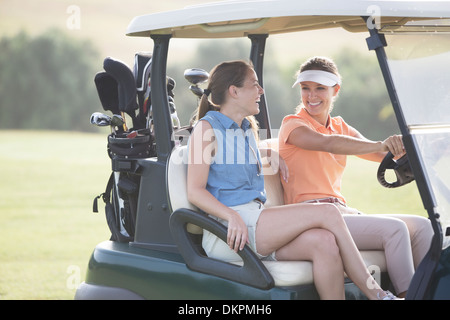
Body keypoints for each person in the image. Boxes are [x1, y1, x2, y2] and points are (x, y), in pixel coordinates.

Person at [186, 60, 399, 300]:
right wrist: (230, 215)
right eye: (254, 85)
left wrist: (268, 153)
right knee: (328, 213)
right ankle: (378, 295)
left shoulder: (246, 128)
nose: (261, 91)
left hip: (255, 224)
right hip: (229, 231)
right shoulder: (205, 129)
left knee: (324, 242)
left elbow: (233, 157)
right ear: (234, 91)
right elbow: (195, 191)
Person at [279, 56, 434, 298]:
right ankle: (407, 296)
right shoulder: (293, 125)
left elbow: (376, 152)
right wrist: (382, 145)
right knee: (394, 230)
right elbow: (327, 143)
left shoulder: (340, 126)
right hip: (310, 217)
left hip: (340, 212)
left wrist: (403, 147)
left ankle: (427, 293)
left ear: (335, 90)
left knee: (422, 227)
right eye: (305, 88)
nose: (311, 96)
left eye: (320, 88)